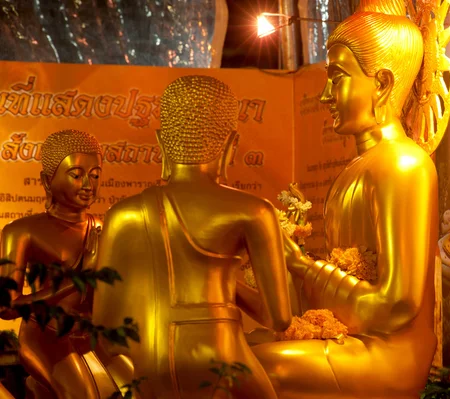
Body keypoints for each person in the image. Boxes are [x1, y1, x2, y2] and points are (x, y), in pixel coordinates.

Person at [239, 0, 450, 397]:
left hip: (391, 351)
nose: (324, 96)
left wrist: (302, 265)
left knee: (254, 369)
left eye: (336, 78)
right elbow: (322, 307)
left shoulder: (404, 164)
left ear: (383, 84)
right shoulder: (351, 175)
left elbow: (397, 305)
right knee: (227, 355)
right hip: (351, 337)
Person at [92, 75, 292, 399]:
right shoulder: (253, 211)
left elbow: (103, 325)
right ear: (231, 144)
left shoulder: (122, 214)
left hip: (149, 362)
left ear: (160, 142)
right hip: (224, 359)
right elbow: (278, 318)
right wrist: (225, 281)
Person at [0, 129, 120, 398]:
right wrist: (76, 277)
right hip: (47, 337)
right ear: (47, 180)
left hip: (92, 335)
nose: (88, 184)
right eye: (77, 175)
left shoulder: (102, 228)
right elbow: (6, 308)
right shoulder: (22, 231)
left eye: (96, 175)